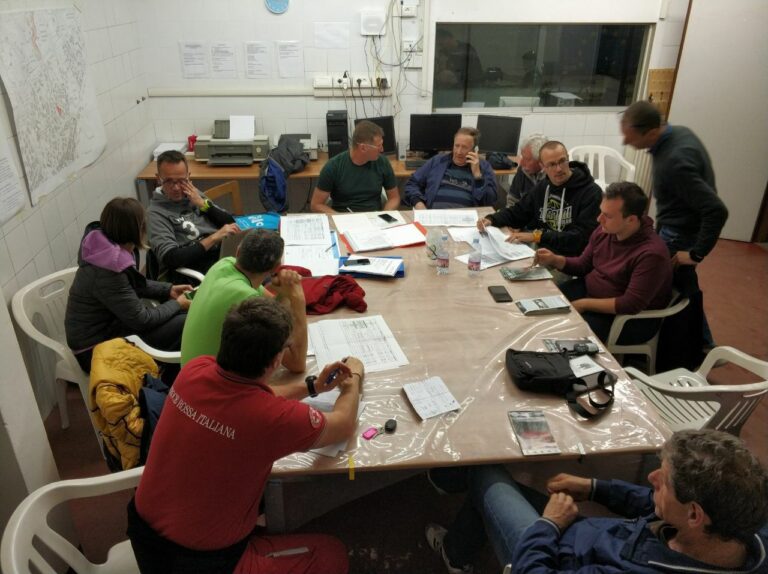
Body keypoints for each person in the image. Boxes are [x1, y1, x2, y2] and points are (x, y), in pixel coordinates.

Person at [129, 297, 365, 574]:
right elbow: (342, 424)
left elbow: (250, 395)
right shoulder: (271, 419)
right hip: (200, 563)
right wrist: (354, 380)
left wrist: (311, 387)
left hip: (144, 534)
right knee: (330, 554)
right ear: (276, 360)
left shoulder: (195, 370)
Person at [425, 429, 768, 574]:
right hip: (583, 532)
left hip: (550, 553)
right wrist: (595, 488)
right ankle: (459, 548)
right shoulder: (736, 525)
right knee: (499, 486)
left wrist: (548, 525)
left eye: (664, 481)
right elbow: (655, 506)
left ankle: (454, 537)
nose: (652, 478)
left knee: (486, 473)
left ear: (695, 514)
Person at [620, 101, 728, 351]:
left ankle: (690, 346)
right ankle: (704, 344)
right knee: (683, 286)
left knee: (668, 288)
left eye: (630, 137)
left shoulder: (675, 161)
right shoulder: (678, 134)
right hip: (672, 228)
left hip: (680, 236)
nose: (626, 142)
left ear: (650, 132)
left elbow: (716, 209)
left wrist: (696, 253)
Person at [535, 182, 672, 343]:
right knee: (542, 304)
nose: (599, 219)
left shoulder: (651, 254)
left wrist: (585, 304)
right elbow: (583, 265)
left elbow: (630, 304)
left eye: (608, 216)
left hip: (627, 318)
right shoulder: (605, 231)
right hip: (592, 294)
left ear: (631, 220)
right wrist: (554, 259)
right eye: (601, 212)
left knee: (560, 334)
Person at [65, 197, 191, 372]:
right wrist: (177, 304)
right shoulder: (109, 270)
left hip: (110, 330)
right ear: (138, 229)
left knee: (181, 317)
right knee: (186, 323)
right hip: (96, 351)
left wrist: (168, 290)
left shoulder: (105, 251)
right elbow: (143, 320)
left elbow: (133, 283)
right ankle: (172, 379)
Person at [180, 229, 307, 371]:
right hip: (210, 381)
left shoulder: (224, 264)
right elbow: (297, 363)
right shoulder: (249, 301)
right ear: (275, 268)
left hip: (189, 373)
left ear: (238, 252)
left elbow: (273, 306)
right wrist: (297, 298)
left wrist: (284, 293)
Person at [477, 141, 602, 256]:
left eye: (562, 161)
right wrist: (492, 219)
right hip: (540, 252)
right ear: (543, 166)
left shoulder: (591, 192)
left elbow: (580, 238)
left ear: (568, 159)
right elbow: (519, 212)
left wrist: (536, 236)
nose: (558, 169)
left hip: (569, 260)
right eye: (552, 164)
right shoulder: (543, 187)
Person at [148, 150, 240, 281]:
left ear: (188, 177)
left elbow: (229, 222)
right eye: (168, 181)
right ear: (159, 179)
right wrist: (214, 238)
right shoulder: (155, 213)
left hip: (222, 254)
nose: (176, 188)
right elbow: (172, 258)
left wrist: (203, 204)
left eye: (181, 181)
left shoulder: (192, 193)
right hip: (196, 267)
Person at [310, 120, 400, 214]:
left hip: (374, 217)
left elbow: (394, 198)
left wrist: (385, 214)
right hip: (343, 217)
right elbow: (316, 205)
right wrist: (338, 217)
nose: (382, 149)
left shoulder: (382, 162)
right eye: (379, 146)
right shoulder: (333, 167)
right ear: (363, 148)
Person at [404, 127, 497, 209]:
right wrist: (418, 203)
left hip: (466, 218)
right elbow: (412, 183)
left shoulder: (484, 167)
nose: (459, 152)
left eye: (464, 147)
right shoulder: (438, 161)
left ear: (474, 150)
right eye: (456, 146)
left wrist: (478, 176)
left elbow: (490, 201)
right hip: (434, 215)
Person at [506, 133, 548, 207]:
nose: (521, 163)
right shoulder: (522, 170)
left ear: (540, 160)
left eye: (527, 159)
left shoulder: (553, 177)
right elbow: (512, 201)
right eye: (522, 157)